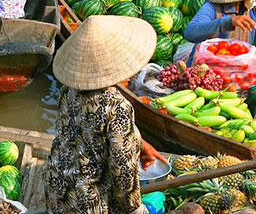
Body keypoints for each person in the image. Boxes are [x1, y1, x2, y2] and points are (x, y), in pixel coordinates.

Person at [46, 15, 168, 214]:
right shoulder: (117, 105)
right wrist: (136, 209)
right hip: (89, 204)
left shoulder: (69, 89)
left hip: (56, 188)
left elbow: (87, 132)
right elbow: (123, 172)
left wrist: (140, 144)